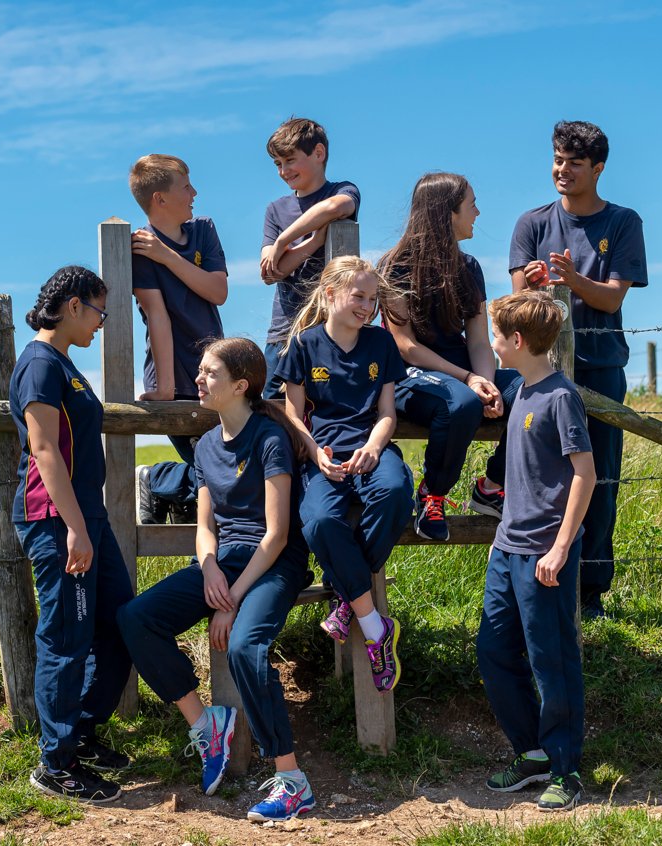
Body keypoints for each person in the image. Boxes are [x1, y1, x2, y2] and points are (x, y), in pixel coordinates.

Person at [117, 338, 315, 823]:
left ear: (240, 385)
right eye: (200, 371)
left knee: (246, 646)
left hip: (273, 565)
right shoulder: (206, 444)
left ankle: (292, 780)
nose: (199, 380)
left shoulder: (269, 438)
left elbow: (277, 534)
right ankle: (207, 726)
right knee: (136, 618)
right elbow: (206, 527)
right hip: (222, 563)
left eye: (209, 374)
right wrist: (207, 568)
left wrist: (231, 600)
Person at [508, 120, 648, 617]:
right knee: (546, 478)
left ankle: (590, 592)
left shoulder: (623, 222)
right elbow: (516, 307)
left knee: (601, 479)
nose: (562, 170)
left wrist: (572, 280)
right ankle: (536, 574)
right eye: (558, 159)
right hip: (542, 374)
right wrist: (538, 287)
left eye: (575, 163)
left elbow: (611, 300)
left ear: (598, 169)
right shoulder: (531, 223)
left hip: (601, 367)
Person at [10, 266, 135, 804]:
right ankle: (54, 762)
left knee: (120, 621)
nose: (102, 324)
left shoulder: (65, 366)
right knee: (66, 637)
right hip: (57, 522)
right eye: (100, 312)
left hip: (86, 520)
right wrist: (76, 530)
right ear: (74, 305)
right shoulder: (39, 364)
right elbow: (44, 451)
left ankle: (79, 732)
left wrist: (88, 524)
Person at [476, 291, 596, 812]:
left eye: (497, 337)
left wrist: (560, 547)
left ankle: (566, 769)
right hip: (507, 549)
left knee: (552, 662)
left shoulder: (560, 397)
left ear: (518, 341)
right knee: (494, 651)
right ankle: (533, 754)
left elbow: (584, 475)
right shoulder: (520, 389)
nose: (492, 345)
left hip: (546, 554)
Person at [275, 256, 414, 692]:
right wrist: (315, 453)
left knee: (395, 491)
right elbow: (291, 415)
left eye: (373, 299)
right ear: (330, 294)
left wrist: (374, 447)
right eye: (359, 296)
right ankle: (375, 625)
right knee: (318, 520)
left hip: (371, 449)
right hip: (323, 457)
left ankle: (343, 594)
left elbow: (387, 413)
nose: (367, 306)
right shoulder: (302, 344)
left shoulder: (381, 344)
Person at [380, 172, 522, 541]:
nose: (477, 212)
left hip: (462, 370)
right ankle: (432, 494)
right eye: (471, 204)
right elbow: (404, 345)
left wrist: (487, 382)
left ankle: (492, 485)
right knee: (460, 404)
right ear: (447, 213)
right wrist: (468, 380)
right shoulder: (393, 267)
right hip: (411, 373)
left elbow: (478, 340)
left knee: (533, 390)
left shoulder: (470, 267)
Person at [130, 153, 228, 524]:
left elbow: (217, 291)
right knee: (217, 470)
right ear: (160, 198)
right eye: (186, 186)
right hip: (173, 375)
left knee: (230, 464)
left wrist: (168, 256)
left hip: (215, 372)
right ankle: (159, 480)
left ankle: (162, 483)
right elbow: (158, 316)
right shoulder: (141, 248)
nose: (194, 192)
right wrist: (168, 389)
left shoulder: (203, 230)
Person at [261, 117, 360, 398]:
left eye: (290, 160)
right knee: (273, 410)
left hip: (329, 329)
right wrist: (315, 240)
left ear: (319, 153)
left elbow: (334, 207)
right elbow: (271, 272)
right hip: (284, 331)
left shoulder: (342, 190)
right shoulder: (275, 210)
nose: (283, 171)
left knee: (328, 410)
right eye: (278, 164)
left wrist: (284, 240)